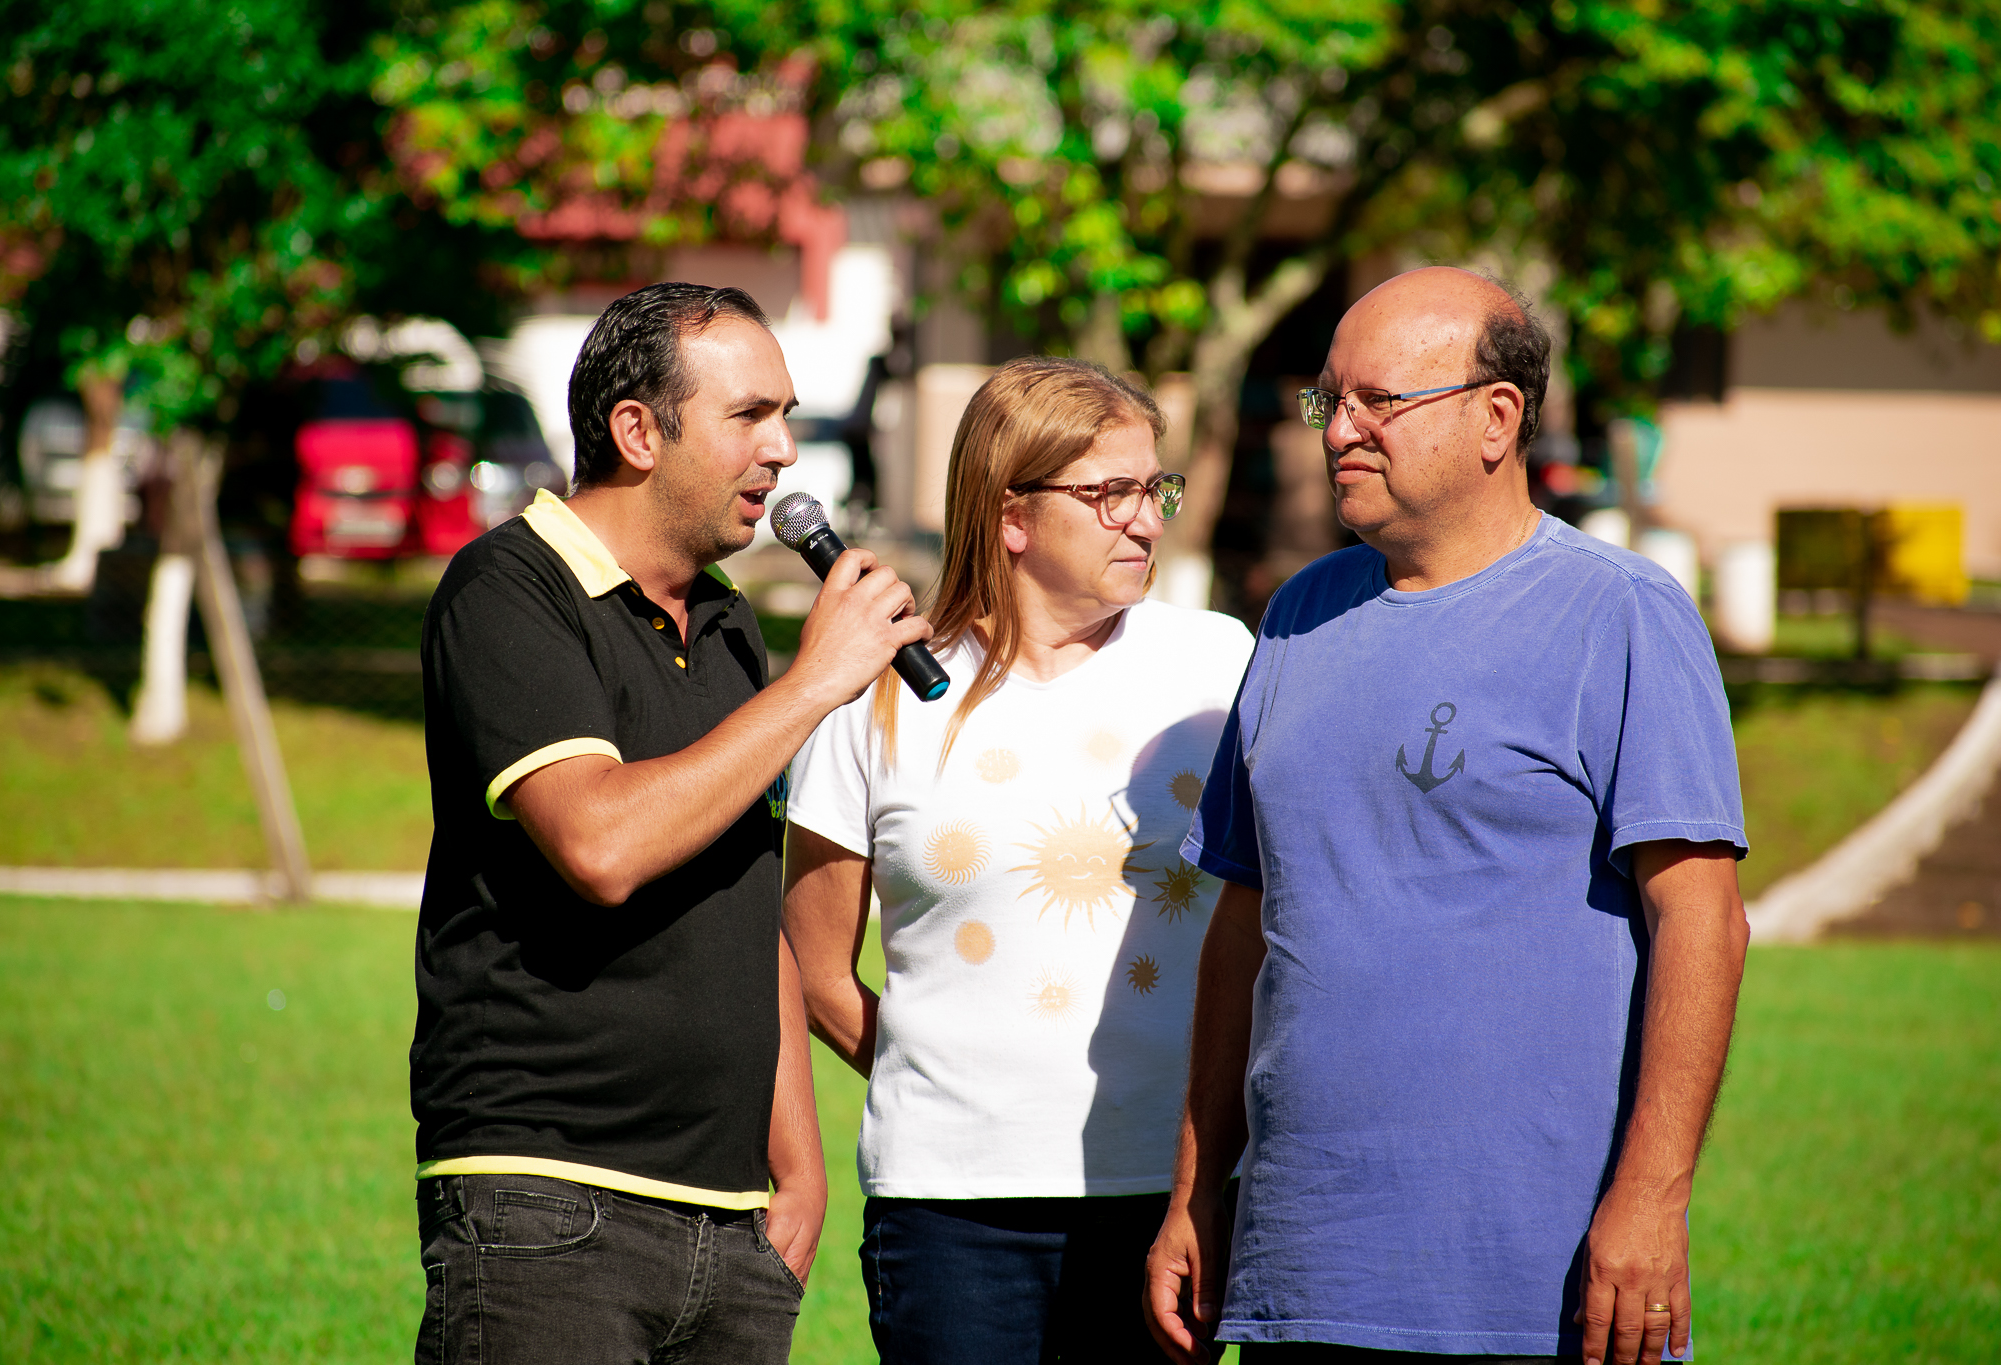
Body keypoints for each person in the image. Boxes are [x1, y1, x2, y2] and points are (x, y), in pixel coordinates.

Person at [1145, 268, 1752, 1365]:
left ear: (1496, 417)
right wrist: (1198, 1189)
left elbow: (1700, 921)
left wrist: (1651, 1202)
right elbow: (1243, 925)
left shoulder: (1621, 616)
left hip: (1542, 1282)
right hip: (1301, 1272)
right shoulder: (1293, 618)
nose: (1341, 431)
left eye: (1379, 400)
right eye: (1329, 401)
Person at [410, 283, 932, 1364]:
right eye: (749, 416)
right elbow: (599, 847)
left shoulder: (730, 627)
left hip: (736, 1225)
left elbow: (752, 905)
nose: (784, 450)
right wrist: (812, 684)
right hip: (549, 1209)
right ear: (636, 430)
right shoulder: (507, 586)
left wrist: (797, 1163)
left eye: (785, 415)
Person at [784, 357, 1255, 1364]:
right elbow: (816, 973)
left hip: (1168, 1198)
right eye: (1109, 492)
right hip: (948, 1212)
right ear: (1009, 515)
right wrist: (948, 1078)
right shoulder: (871, 697)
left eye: (1152, 487)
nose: (1145, 518)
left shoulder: (1220, 668)